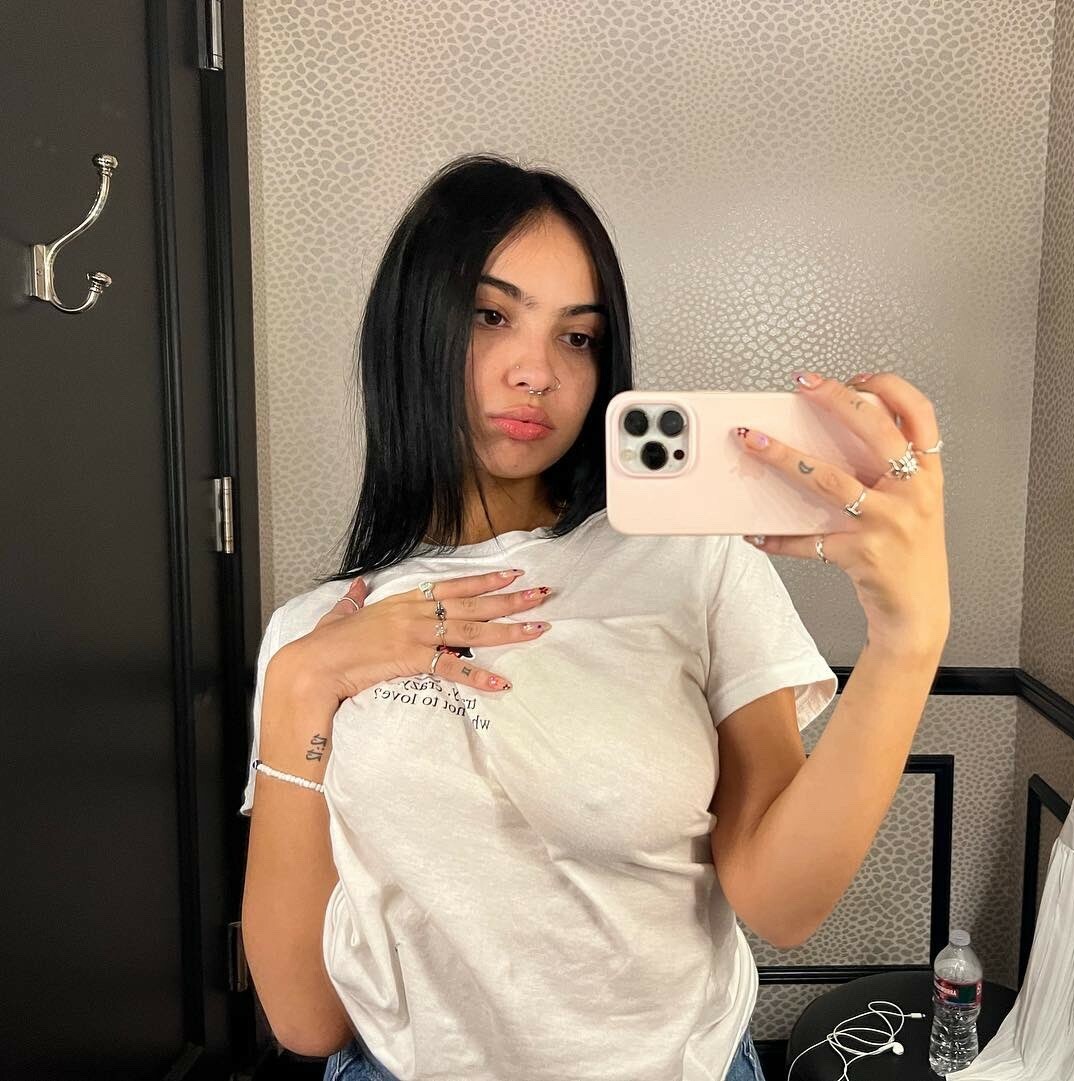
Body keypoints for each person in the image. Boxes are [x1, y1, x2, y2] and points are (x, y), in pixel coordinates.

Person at [238, 153, 950, 1081]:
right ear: (412, 323)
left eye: (577, 337)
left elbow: (782, 903)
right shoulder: (317, 630)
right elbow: (305, 1021)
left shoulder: (692, 560)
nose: (538, 371)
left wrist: (906, 641)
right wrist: (302, 682)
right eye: (491, 316)